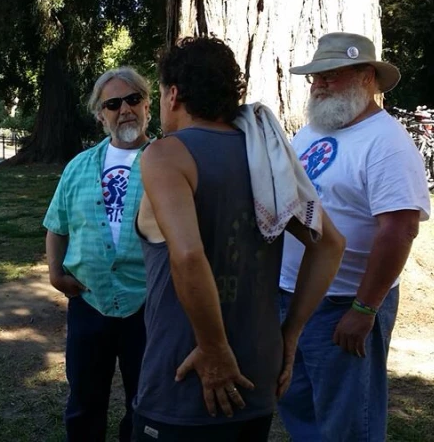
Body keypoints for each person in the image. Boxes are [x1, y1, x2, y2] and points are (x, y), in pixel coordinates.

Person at [131, 36, 346, 441]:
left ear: (173, 94)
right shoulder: (268, 155)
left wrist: (213, 349)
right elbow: (330, 243)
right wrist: (291, 332)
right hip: (257, 365)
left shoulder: (165, 155)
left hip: (188, 370)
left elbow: (189, 256)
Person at [278, 32, 431, 441]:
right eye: (316, 77)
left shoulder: (387, 142)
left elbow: (400, 228)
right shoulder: (311, 131)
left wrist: (364, 310)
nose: (320, 84)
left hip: (343, 305)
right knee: (301, 410)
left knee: (347, 425)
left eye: (333, 75)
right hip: (294, 297)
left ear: (367, 77)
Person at [42, 66, 152, 441]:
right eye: (113, 103)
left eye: (134, 99)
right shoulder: (78, 167)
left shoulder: (166, 163)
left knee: (144, 402)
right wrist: (56, 274)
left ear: (147, 105)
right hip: (89, 301)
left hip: (147, 306)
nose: (125, 109)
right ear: (100, 114)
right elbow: (56, 227)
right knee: (85, 401)